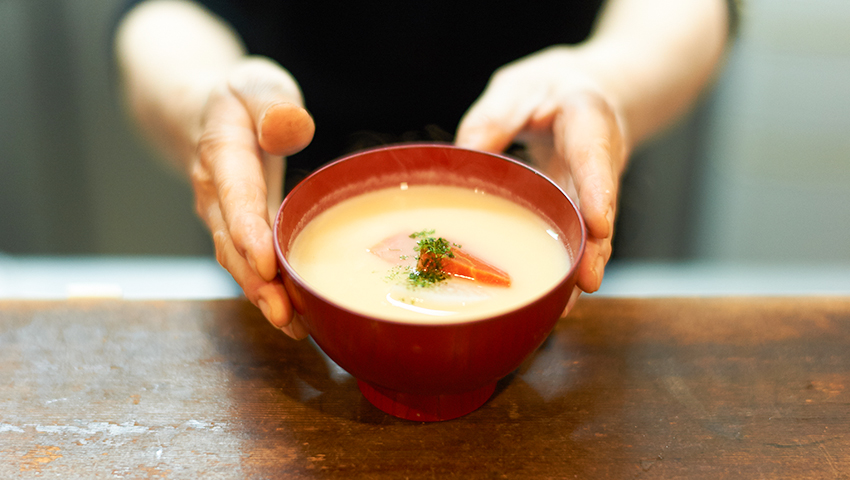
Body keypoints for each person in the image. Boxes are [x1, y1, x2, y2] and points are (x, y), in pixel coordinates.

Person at [114, 0, 734, 339]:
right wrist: (205, 96)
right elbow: (161, 14)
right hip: (277, 260)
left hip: (565, 226)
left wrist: (609, 79)